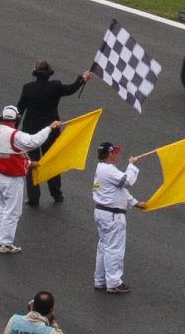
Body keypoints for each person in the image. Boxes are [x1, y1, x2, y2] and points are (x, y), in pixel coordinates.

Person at [18, 59, 91, 208]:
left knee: (31, 164)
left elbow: (19, 110)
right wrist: (82, 79)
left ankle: (33, 197)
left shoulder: (28, 88)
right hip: (51, 130)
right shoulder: (55, 87)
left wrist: (13, 130)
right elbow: (71, 89)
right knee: (51, 161)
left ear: (35, 73)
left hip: (30, 132)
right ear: (49, 73)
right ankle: (56, 194)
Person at [0, 104, 61, 255]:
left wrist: (29, 163)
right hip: (12, 179)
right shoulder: (14, 135)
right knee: (12, 211)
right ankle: (6, 243)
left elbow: (9, 154)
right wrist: (49, 128)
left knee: (1, 209)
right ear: (17, 119)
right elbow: (33, 142)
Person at [92, 141, 146, 294]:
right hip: (113, 215)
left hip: (102, 212)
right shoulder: (109, 170)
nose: (116, 154)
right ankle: (114, 282)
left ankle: (100, 280)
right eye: (114, 152)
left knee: (104, 247)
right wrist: (132, 165)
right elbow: (127, 182)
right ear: (110, 153)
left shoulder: (101, 169)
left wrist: (135, 203)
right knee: (114, 249)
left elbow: (119, 190)